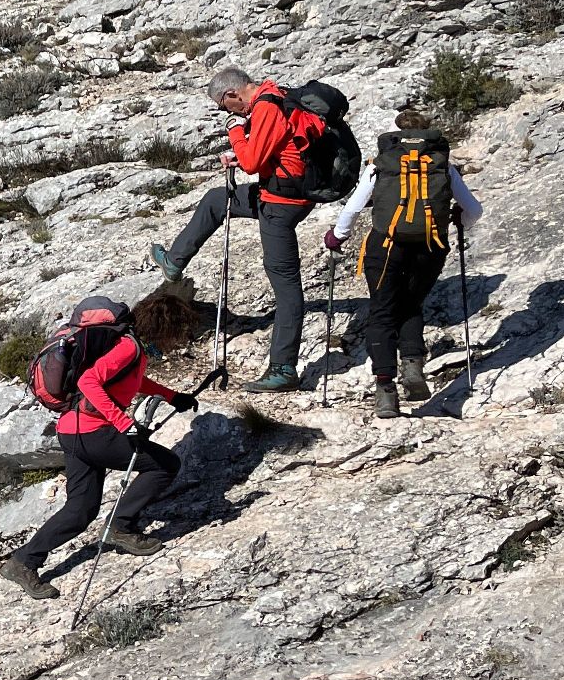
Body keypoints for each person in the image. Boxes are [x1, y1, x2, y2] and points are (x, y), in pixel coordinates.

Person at [0, 299, 197, 600]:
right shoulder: (129, 346)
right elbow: (88, 381)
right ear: (164, 327)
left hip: (72, 431)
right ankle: (120, 526)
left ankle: (22, 562)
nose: (178, 340)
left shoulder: (130, 346)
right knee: (165, 465)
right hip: (92, 433)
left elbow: (131, 380)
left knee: (81, 509)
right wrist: (123, 422)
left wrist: (171, 396)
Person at [148, 66, 318, 392]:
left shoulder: (266, 107)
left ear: (232, 94)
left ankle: (283, 368)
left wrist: (236, 133)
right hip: (284, 190)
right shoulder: (275, 96)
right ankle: (174, 262)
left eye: (224, 107)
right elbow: (273, 150)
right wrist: (242, 153)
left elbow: (253, 162)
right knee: (216, 199)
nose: (228, 112)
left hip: (281, 203)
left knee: (285, 286)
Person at [322, 109, 483, 419]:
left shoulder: (381, 163)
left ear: (396, 133)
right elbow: (474, 210)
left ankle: (386, 391)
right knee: (410, 304)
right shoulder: (441, 164)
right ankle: (412, 366)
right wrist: (458, 221)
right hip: (430, 245)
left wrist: (336, 237)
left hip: (386, 246)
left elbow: (353, 208)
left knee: (383, 311)